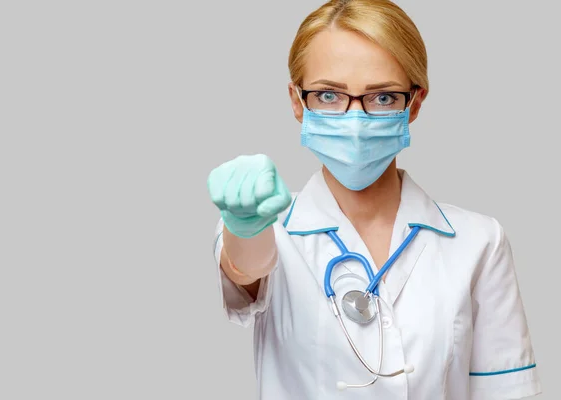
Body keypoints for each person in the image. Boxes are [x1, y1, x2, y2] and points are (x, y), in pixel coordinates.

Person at [206, 0, 542, 398]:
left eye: (381, 98)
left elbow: (508, 391)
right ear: (298, 102)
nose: (355, 119)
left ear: (413, 104)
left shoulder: (479, 241)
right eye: (329, 96)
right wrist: (244, 226)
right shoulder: (269, 226)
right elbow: (246, 266)